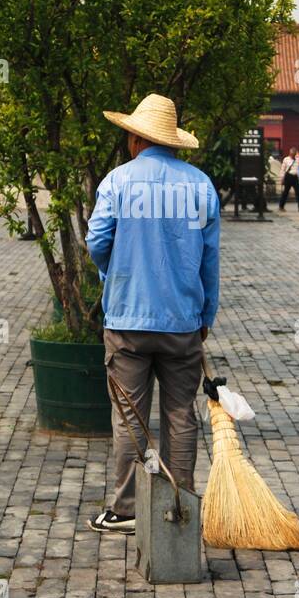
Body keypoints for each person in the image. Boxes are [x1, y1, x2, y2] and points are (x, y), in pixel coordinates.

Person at [85, 93, 219, 535]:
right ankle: (178, 506)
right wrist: (205, 313)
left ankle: (126, 510)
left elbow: (97, 241)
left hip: (127, 319)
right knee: (181, 414)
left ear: (135, 138)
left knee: (129, 416)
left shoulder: (117, 182)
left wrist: (115, 275)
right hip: (182, 320)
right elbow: (209, 258)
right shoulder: (200, 185)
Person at [278, 148, 299, 212]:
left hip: (295, 177)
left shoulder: (297, 159)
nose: (293, 155)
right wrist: (282, 178)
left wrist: (298, 156)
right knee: (285, 192)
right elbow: (283, 169)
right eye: (292, 154)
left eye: (294, 154)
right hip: (288, 176)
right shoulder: (286, 159)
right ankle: (281, 206)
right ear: (290, 153)